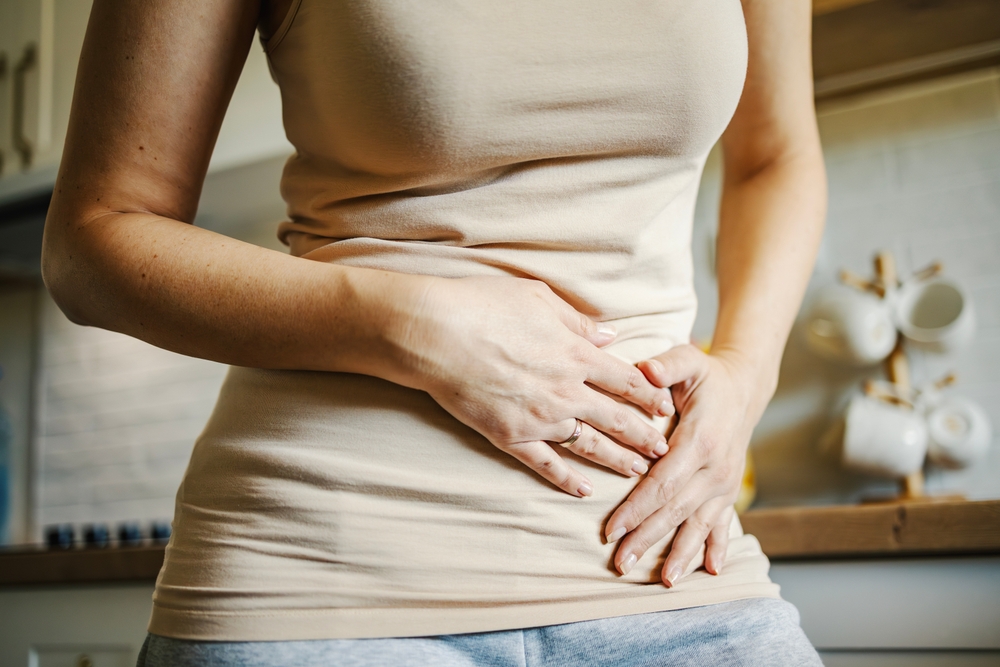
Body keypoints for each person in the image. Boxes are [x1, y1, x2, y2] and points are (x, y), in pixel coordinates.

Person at [42, 0, 827, 664]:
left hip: (672, 564)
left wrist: (745, 377)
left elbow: (777, 153)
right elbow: (92, 239)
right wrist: (411, 322)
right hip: (324, 583)